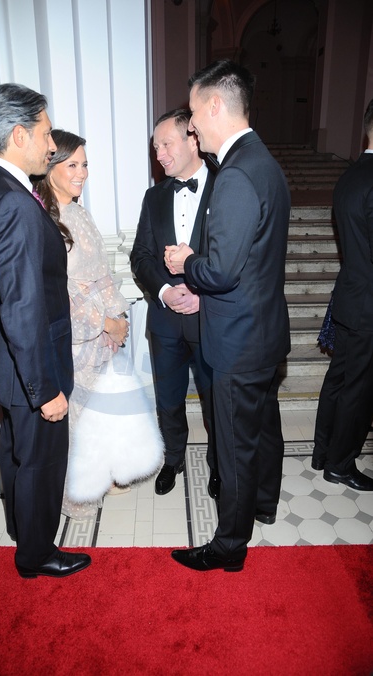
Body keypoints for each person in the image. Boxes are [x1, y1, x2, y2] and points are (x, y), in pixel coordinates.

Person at [0, 84, 91, 578]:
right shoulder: (12, 202)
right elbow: (22, 309)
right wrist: (45, 388)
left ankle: (20, 527)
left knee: (16, 451)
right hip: (30, 365)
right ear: (19, 135)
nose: (52, 145)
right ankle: (36, 554)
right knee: (40, 462)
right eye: (46, 133)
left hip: (3, 360)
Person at [165, 60, 291, 572]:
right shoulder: (264, 162)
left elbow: (220, 271)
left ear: (215, 105)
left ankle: (229, 547)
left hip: (238, 339)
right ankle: (262, 504)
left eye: (195, 114)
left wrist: (185, 261)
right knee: (261, 429)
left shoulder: (236, 174)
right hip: (262, 332)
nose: (192, 126)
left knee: (236, 445)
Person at [34, 130, 164, 517]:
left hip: (100, 334)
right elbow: (57, 293)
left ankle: (103, 475)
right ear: (50, 167)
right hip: (73, 339)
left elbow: (102, 273)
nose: (82, 173)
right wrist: (104, 322)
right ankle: (76, 495)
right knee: (77, 417)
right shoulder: (44, 222)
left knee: (101, 414)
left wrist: (117, 318)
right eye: (72, 164)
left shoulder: (79, 212)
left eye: (85, 164)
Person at [131, 109, 218, 498]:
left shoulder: (225, 187)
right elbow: (140, 256)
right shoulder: (154, 197)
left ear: (192, 140)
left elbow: (236, 259)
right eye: (155, 148)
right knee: (168, 399)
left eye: (166, 144)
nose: (160, 154)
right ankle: (173, 458)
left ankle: (220, 464)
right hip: (165, 320)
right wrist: (166, 291)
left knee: (215, 399)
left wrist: (204, 294)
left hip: (211, 317)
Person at [311, 99, 373, 491]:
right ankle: (341, 464)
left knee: (338, 378)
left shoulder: (350, 175)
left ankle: (322, 451)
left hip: (350, 296)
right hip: (368, 305)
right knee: (359, 389)